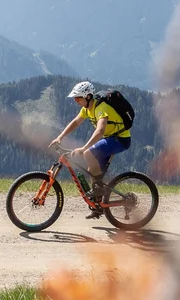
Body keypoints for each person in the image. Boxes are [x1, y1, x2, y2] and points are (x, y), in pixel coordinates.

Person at [50, 81, 132, 219]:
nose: (76, 101)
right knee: (93, 171)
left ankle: (98, 190)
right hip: (109, 139)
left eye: (78, 98)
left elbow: (100, 131)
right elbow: (76, 122)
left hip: (120, 139)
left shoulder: (101, 108)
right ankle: (98, 206)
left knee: (89, 153)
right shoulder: (87, 108)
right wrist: (60, 137)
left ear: (88, 96)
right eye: (75, 98)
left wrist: (83, 148)